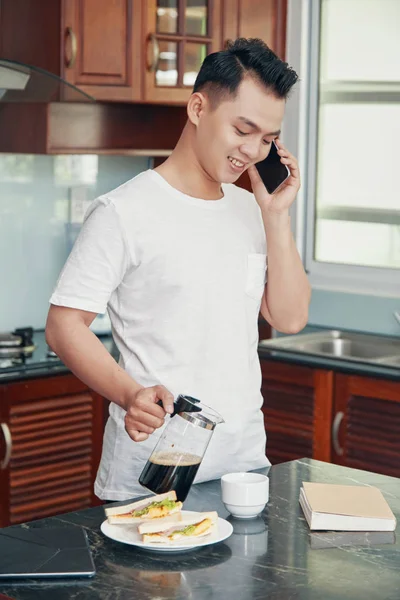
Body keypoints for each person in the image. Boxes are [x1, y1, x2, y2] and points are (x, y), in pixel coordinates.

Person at [45, 38, 311, 501]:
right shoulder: (123, 212)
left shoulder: (253, 210)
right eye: (242, 129)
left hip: (243, 472)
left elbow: (288, 319)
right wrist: (128, 394)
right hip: (150, 476)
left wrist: (277, 216)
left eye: (267, 139)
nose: (252, 150)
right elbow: (64, 325)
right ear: (197, 108)